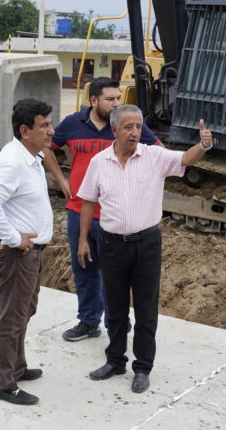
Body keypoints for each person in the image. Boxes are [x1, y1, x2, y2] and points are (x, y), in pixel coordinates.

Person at [76, 104, 213, 393]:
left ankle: (142, 367)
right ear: (114, 130)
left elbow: (186, 159)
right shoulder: (99, 162)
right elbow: (88, 200)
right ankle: (115, 361)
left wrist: (203, 144)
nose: (134, 132)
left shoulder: (154, 157)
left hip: (147, 244)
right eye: (128, 127)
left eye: (138, 126)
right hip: (111, 244)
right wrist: (83, 238)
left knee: (146, 310)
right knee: (114, 308)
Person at [43, 78, 160, 342]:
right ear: (93, 100)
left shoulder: (124, 125)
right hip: (79, 211)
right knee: (83, 268)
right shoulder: (73, 124)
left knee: (114, 276)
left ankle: (117, 326)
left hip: (114, 216)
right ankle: (88, 321)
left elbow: (157, 153)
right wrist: (62, 180)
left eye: (118, 98)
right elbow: (49, 148)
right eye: (111, 99)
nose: (117, 103)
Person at [0, 98, 55, 405]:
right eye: (44, 125)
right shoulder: (12, 160)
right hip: (16, 255)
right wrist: (13, 238)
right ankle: (2, 383)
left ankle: (17, 368)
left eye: (50, 123)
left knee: (23, 312)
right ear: (25, 130)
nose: (51, 130)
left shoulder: (30, 156)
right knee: (11, 319)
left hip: (29, 253)